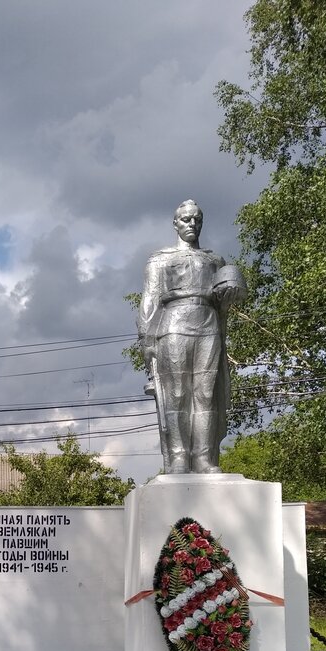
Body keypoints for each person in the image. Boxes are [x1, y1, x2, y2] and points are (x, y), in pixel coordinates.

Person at [136, 199, 246, 474]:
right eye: (186, 219)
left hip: (207, 323)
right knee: (176, 393)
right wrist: (147, 342)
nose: (192, 224)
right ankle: (178, 458)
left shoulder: (215, 260)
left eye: (197, 219)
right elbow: (149, 301)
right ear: (175, 223)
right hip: (173, 323)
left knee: (206, 393)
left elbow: (223, 301)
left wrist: (228, 296)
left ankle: (204, 458)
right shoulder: (161, 259)